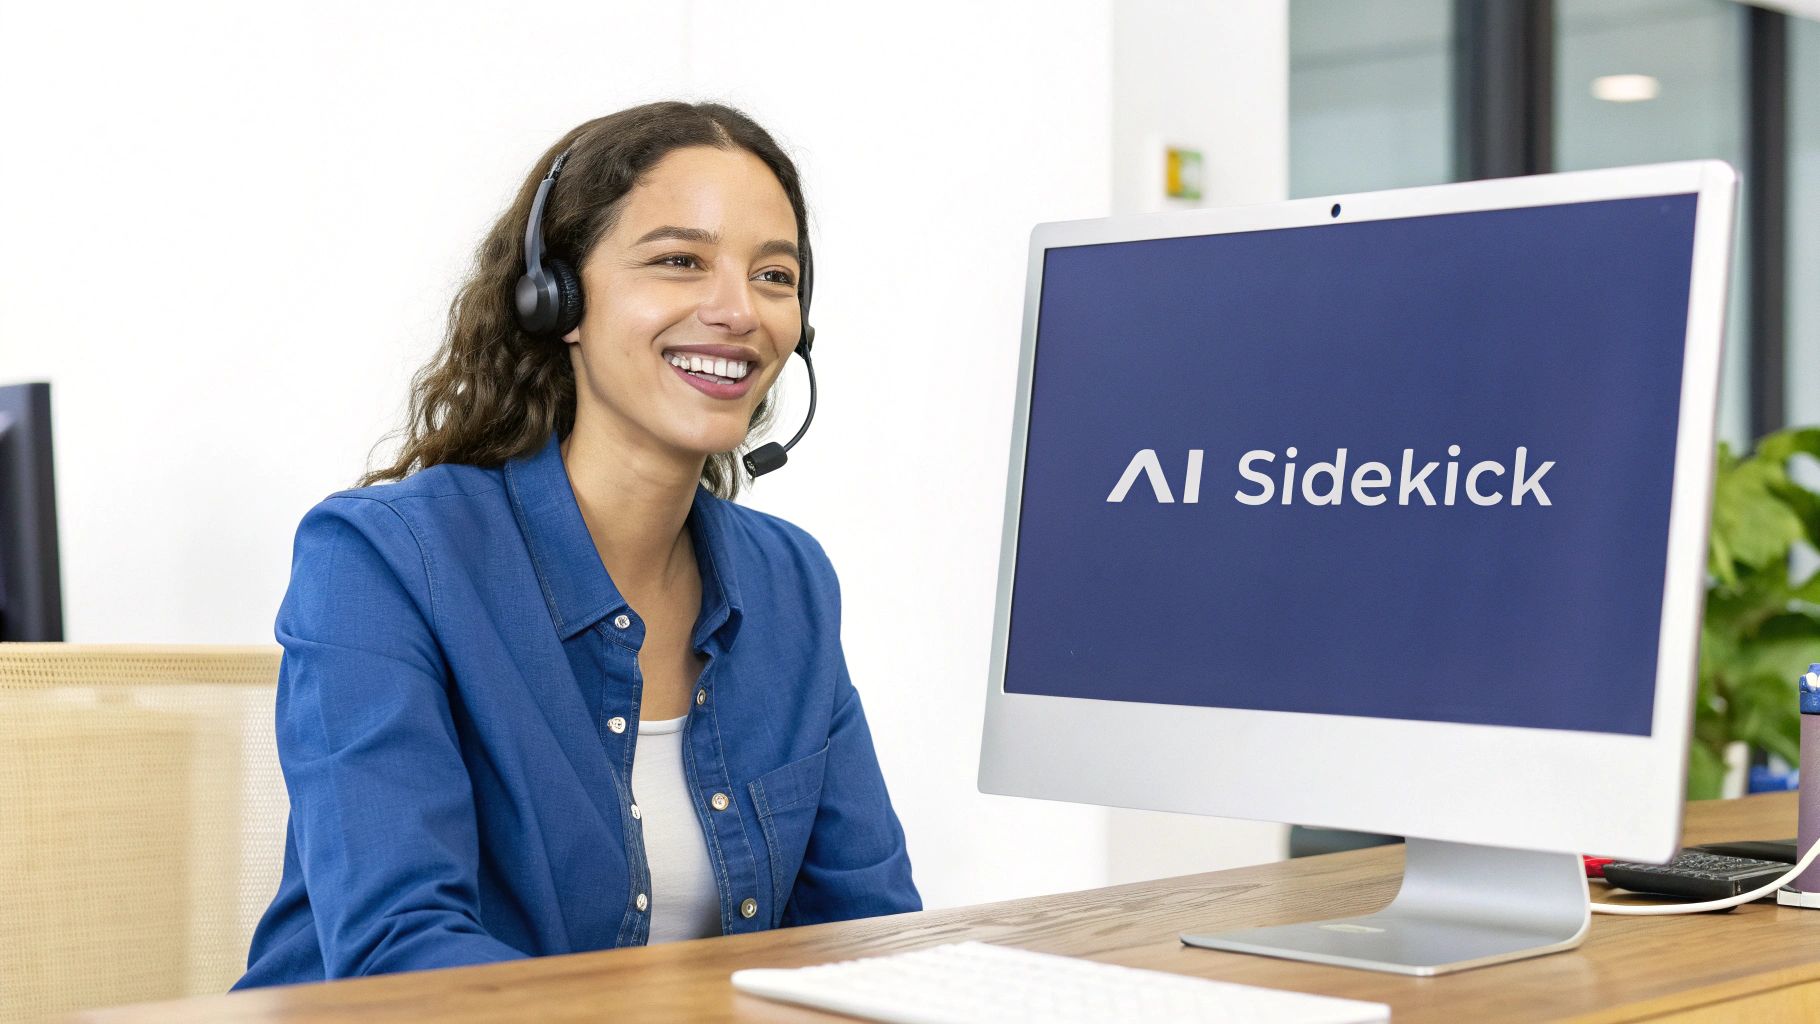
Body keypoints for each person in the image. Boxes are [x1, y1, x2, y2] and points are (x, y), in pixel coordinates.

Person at [235, 101, 920, 988]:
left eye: (774, 276)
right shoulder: (384, 561)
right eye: (680, 261)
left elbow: (863, 931)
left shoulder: (790, 581)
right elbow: (401, 956)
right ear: (556, 298)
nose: (737, 310)